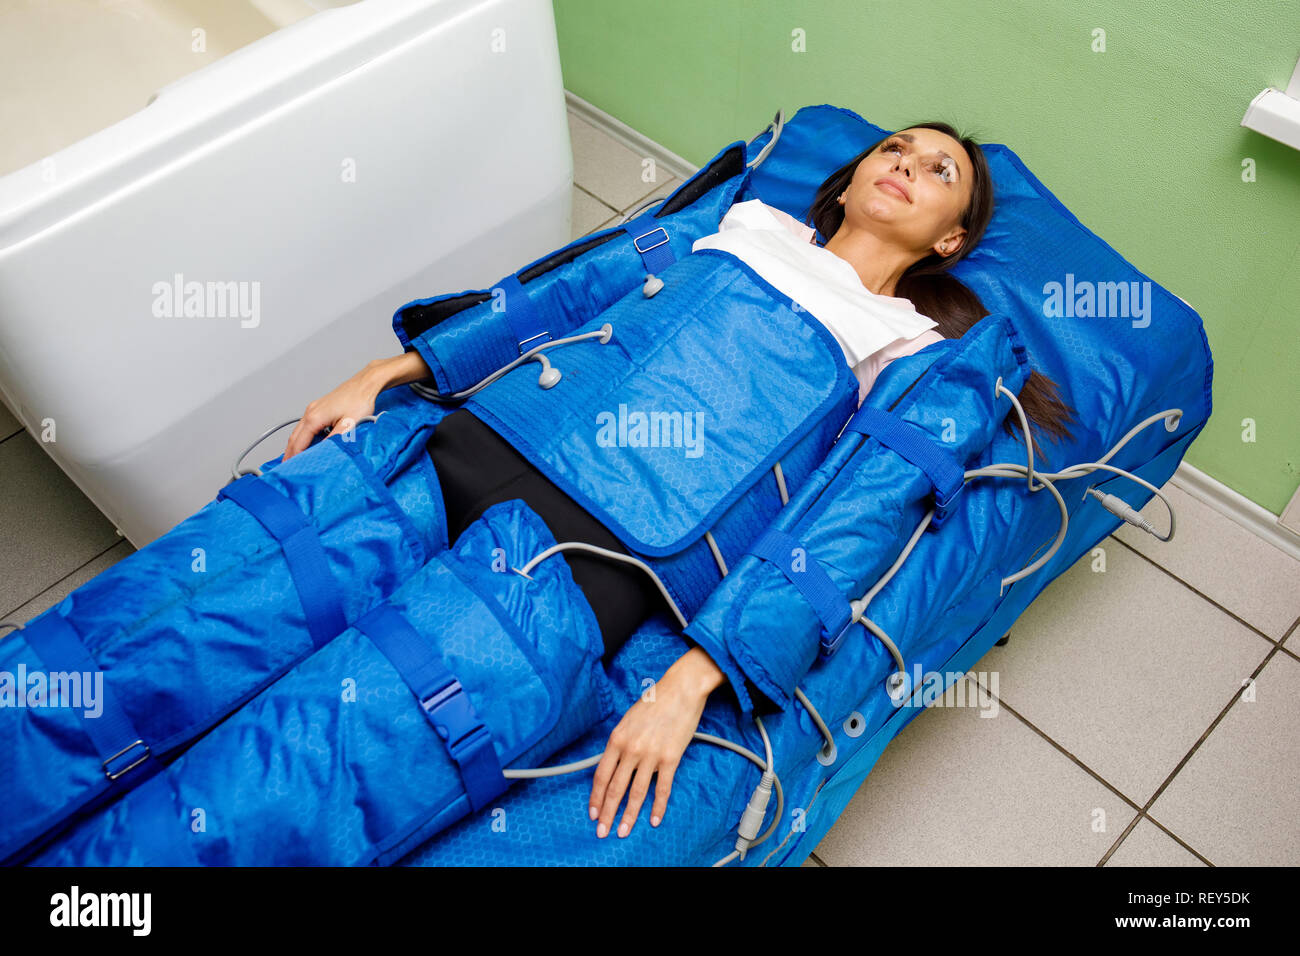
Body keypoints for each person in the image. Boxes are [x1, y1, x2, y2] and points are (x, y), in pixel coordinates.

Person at [281, 123, 1077, 845]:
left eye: (938, 170)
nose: (906, 164)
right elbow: (576, 294)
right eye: (895, 148)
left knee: (317, 762)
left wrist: (696, 674)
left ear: (951, 237)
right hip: (481, 442)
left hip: (597, 549)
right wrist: (390, 371)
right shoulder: (743, 222)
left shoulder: (910, 351)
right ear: (851, 176)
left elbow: (847, 519)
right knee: (236, 630)